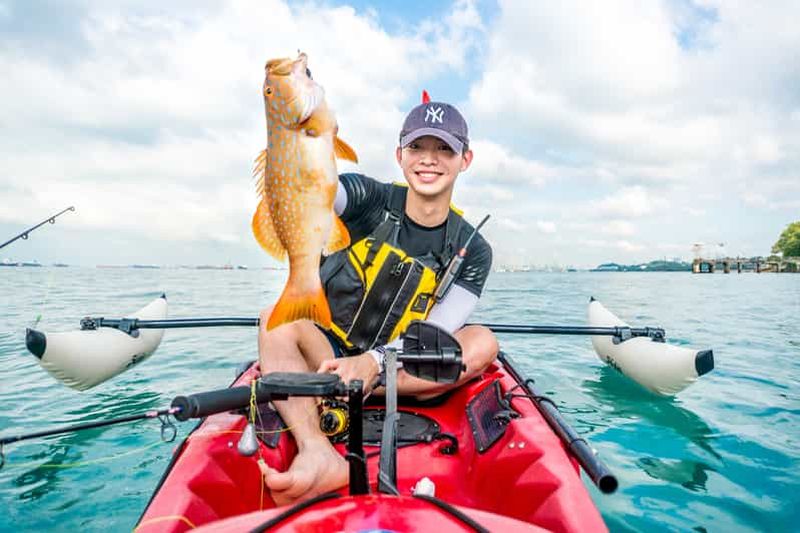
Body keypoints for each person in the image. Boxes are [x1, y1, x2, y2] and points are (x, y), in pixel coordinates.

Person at [257, 98, 498, 505]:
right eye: (418, 148)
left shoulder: (474, 249)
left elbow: (437, 332)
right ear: (399, 155)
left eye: (444, 149)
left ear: (465, 159)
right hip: (328, 360)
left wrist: (372, 364)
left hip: (399, 374)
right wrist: (300, 134)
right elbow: (318, 191)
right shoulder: (367, 196)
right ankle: (316, 449)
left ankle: (352, 389)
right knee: (273, 319)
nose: (429, 160)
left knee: (483, 342)